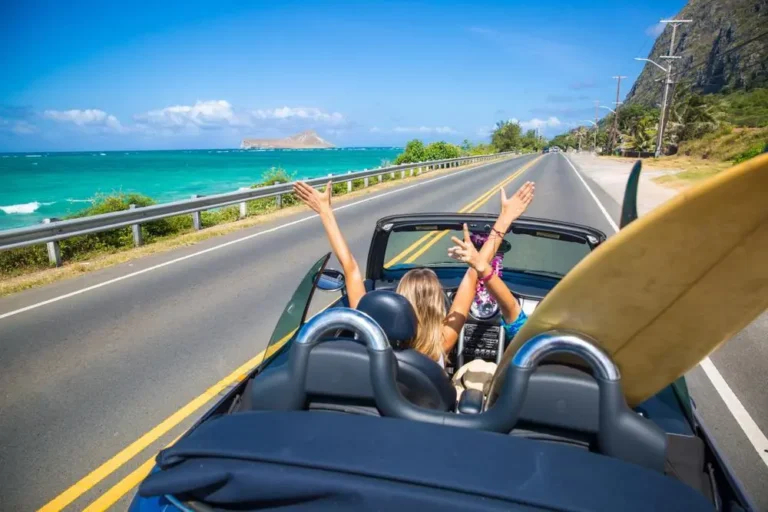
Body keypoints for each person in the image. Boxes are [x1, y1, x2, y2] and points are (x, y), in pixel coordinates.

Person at [292, 179, 535, 368]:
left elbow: (350, 268)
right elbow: (474, 275)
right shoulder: (442, 343)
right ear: (438, 306)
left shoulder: (371, 330)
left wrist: (325, 211)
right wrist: (505, 218)